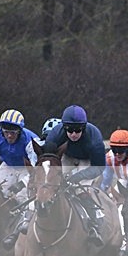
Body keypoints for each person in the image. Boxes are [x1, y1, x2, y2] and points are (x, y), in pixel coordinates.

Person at [44, 104, 106, 246]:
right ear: (63, 127)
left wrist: (78, 176)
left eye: (78, 130)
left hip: (88, 161)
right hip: (67, 156)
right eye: (69, 130)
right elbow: (49, 160)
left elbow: (99, 168)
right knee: (52, 184)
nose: (73, 134)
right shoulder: (55, 135)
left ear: (84, 127)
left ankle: (95, 224)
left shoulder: (94, 138)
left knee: (80, 189)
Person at [0, 109, 39, 247]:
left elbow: (35, 168)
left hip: (27, 168)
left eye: (13, 132)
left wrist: (22, 184)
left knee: (23, 198)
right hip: (8, 166)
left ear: (20, 131)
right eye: (6, 132)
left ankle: (19, 229)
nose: (9, 136)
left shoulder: (30, 140)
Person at [100, 129, 128, 193]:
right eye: (114, 150)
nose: (117, 154)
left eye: (120, 150)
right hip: (123, 184)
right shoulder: (109, 158)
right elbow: (105, 180)